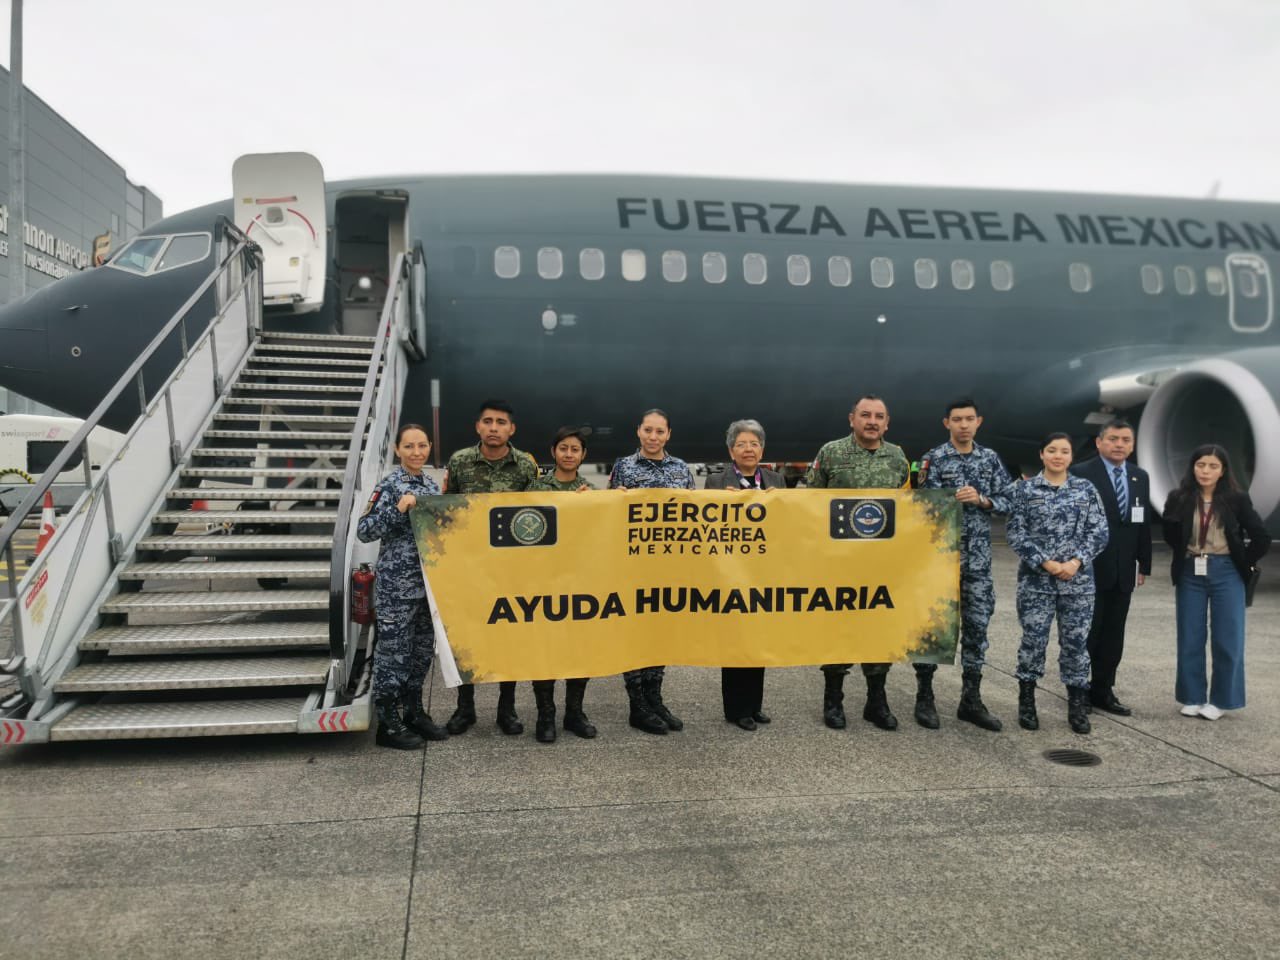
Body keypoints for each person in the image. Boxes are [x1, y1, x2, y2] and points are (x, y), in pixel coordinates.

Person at [805, 394, 911, 731]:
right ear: (852, 419)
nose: (872, 421)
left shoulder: (897, 458)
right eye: (865, 415)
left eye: (879, 416)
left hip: (881, 564)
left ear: (887, 423)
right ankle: (833, 700)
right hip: (840, 562)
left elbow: (907, 508)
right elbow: (809, 502)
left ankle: (875, 701)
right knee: (838, 630)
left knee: (880, 631)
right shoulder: (831, 453)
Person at [916, 397, 1016, 731]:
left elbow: (1008, 500)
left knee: (977, 630)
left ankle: (970, 700)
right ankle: (925, 697)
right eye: (957, 419)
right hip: (940, 562)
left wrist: (983, 500)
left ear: (978, 422)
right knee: (932, 629)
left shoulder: (990, 460)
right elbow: (920, 506)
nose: (963, 425)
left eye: (969, 419)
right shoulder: (933, 459)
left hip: (977, 566)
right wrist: (945, 500)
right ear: (947, 423)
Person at [442, 400, 539, 736]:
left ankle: (506, 709)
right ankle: (464, 708)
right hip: (469, 568)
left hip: (511, 570)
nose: (494, 427)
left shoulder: (526, 465)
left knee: (508, 638)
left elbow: (537, 514)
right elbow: (445, 510)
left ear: (511, 429)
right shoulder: (460, 462)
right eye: (488, 421)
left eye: (501, 422)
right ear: (478, 427)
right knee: (465, 638)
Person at [1006, 432, 1109, 734]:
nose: (1058, 456)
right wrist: (1045, 562)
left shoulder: (1085, 489)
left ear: (1071, 457)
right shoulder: (1025, 490)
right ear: (1042, 454)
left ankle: (1077, 705)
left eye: (1064, 451)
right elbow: (1015, 533)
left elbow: (1099, 531)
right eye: (1052, 450)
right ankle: (1027, 700)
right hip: (1036, 583)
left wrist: (1075, 562)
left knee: (1076, 645)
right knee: (1033, 642)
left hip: (1077, 584)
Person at [1161, 444, 1271, 720]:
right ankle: (1192, 696)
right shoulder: (1179, 497)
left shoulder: (1236, 499)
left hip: (1226, 571)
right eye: (1201, 465)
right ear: (1193, 467)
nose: (1206, 471)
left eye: (1212, 466)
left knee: (1227, 638)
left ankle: (1222, 700)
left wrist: (1243, 562)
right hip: (1190, 569)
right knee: (1190, 635)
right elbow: (1171, 533)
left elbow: (1261, 537)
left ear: (1223, 471)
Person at [356, 423, 449, 749]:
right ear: (398, 450)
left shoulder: (430, 484)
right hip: (398, 587)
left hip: (427, 585)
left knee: (421, 652)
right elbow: (365, 530)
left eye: (422, 445)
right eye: (409, 446)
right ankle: (388, 722)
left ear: (429, 447)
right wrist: (398, 509)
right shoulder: (390, 485)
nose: (416, 452)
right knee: (393, 653)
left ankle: (412, 711)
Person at [609, 408, 695, 735]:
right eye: (648, 430)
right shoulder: (624, 466)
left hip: (667, 566)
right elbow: (612, 514)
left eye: (660, 431)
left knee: (660, 632)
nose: (653, 436)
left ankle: (655, 698)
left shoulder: (681, 468)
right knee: (635, 632)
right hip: (633, 566)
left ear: (668, 434)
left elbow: (693, 509)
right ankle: (638, 706)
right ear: (639, 432)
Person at [706, 419, 784, 731]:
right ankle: (736, 709)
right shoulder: (716, 481)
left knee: (758, 639)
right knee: (735, 641)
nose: (748, 449)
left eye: (754, 444)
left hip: (763, 573)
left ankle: (755, 704)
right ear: (731, 451)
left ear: (762, 449)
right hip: (730, 573)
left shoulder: (776, 479)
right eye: (742, 444)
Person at [1070, 418, 1152, 716]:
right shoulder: (1081, 473)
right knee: (1087, 633)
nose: (1120, 445)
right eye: (1114, 439)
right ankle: (1078, 689)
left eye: (1126, 440)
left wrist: (1144, 563)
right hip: (1089, 568)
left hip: (1123, 570)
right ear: (1099, 442)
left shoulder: (1139, 477)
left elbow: (1142, 526)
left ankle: (1103, 690)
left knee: (1114, 633)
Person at [526, 426, 598, 743]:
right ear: (554, 451)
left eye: (575, 449)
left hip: (581, 580)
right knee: (545, 649)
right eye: (564, 448)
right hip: (544, 580)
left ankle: (574, 712)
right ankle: (546, 715)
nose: (569, 454)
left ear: (583, 456)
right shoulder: (536, 487)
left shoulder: (592, 491)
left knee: (580, 649)